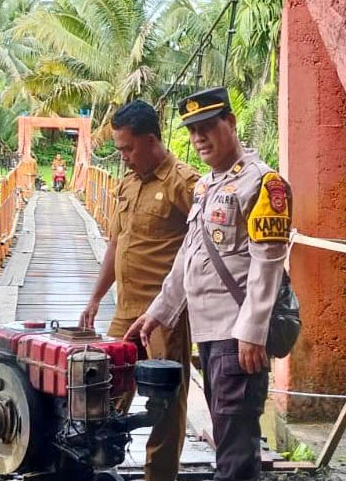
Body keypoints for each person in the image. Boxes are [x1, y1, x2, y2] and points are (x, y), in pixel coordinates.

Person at [126, 86, 292, 481]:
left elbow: (268, 262)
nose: (199, 138)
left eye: (207, 127)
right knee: (227, 435)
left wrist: (252, 332)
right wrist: (158, 314)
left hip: (237, 337)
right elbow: (188, 258)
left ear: (230, 124)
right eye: (192, 130)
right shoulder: (205, 186)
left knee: (235, 450)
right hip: (211, 334)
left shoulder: (264, 185)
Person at [79, 99, 199, 481]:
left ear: (151, 141)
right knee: (104, 388)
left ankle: (158, 477)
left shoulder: (184, 182)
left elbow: (210, 241)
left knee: (166, 401)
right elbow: (117, 244)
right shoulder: (127, 184)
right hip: (126, 308)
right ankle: (98, 461)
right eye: (119, 150)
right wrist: (96, 298)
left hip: (166, 314)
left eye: (128, 148)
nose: (124, 157)